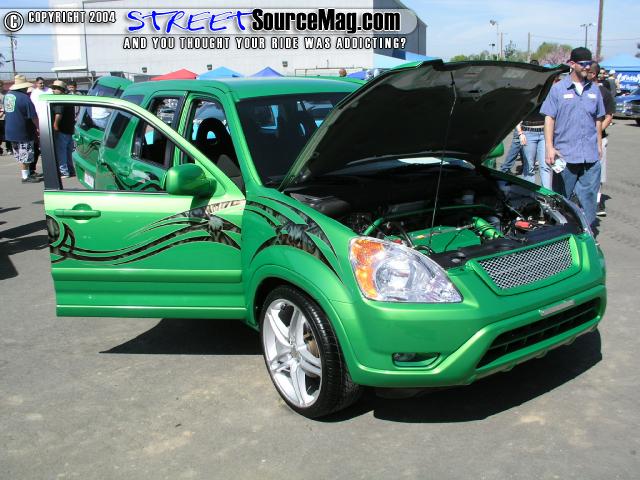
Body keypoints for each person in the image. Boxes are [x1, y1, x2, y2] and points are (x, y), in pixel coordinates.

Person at [540, 47, 605, 230]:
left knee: (589, 197)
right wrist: (549, 147)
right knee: (562, 199)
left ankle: (587, 232)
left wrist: (599, 144)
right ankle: (562, 233)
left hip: (590, 155)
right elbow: (549, 118)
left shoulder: (595, 90)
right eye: (583, 64)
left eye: (589, 63)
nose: (587, 67)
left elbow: (598, 119)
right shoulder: (558, 89)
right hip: (565, 155)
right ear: (572, 64)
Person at [588, 62, 615, 217]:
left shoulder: (604, 93)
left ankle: (597, 202)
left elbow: (609, 117)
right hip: (580, 140)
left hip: (599, 139)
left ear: (593, 74)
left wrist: (596, 132)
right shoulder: (581, 91)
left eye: (588, 71)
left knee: (599, 172)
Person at [3, 74, 40, 183]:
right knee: (26, 154)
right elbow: (33, 116)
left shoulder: (8, 96)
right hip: (23, 131)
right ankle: (25, 177)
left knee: (19, 154)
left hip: (10, 130)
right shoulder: (24, 98)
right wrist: (38, 128)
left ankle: (28, 173)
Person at [51, 80, 76, 178]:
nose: (53, 90)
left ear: (61, 89)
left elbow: (58, 114)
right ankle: (70, 169)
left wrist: (55, 126)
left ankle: (63, 171)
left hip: (62, 130)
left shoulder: (59, 99)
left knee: (61, 152)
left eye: (55, 88)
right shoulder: (68, 98)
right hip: (69, 129)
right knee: (68, 152)